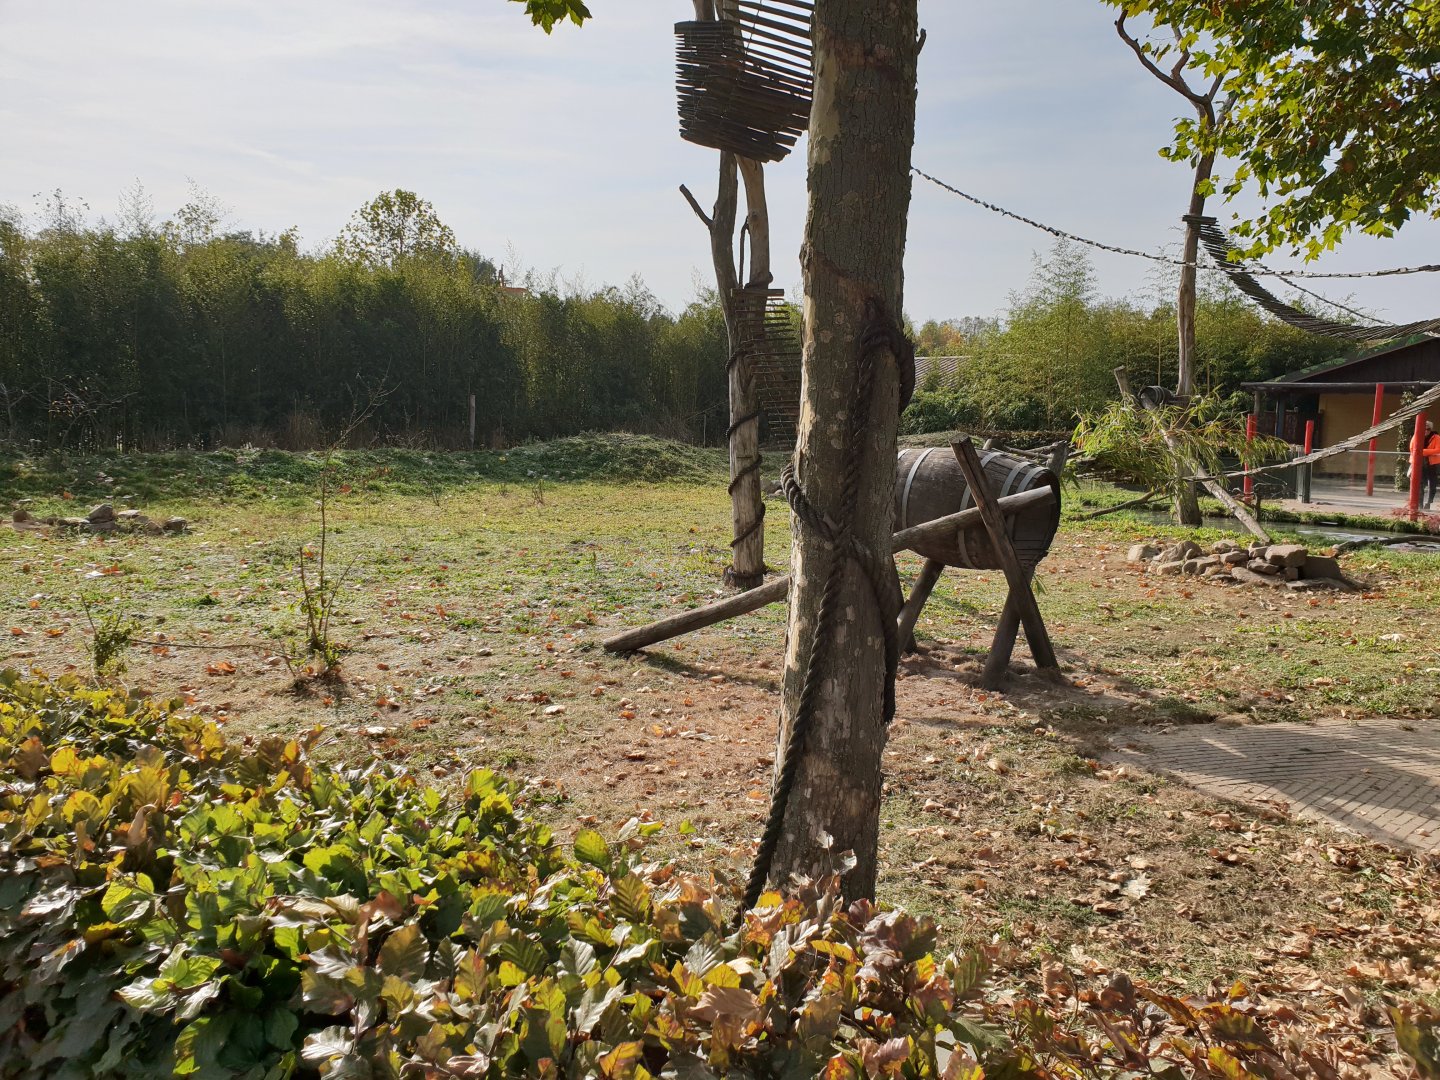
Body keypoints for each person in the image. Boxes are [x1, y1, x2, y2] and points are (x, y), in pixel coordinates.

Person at [1412, 418, 1440, 510]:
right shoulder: (1416, 435)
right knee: (1419, 484)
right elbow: (1412, 448)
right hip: (1419, 462)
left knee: (1432, 484)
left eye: (1428, 429)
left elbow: (1438, 450)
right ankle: (1419, 504)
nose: (1426, 431)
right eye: (1424, 429)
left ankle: (1428, 502)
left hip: (1432, 463)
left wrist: (1422, 451)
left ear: (1431, 430)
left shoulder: (1436, 437)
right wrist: (1425, 452)